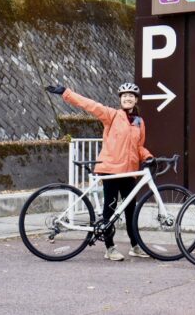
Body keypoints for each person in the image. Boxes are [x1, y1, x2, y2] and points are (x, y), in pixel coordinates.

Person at [45, 81, 153, 261]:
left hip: (129, 172)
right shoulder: (112, 115)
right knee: (109, 211)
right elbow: (90, 105)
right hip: (110, 170)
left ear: (136, 100)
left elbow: (139, 147)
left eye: (131, 96)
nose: (128, 98)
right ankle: (109, 248)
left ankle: (135, 246)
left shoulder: (139, 122)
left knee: (130, 211)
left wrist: (148, 157)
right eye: (124, 96)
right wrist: (66, 93)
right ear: (120, 99)